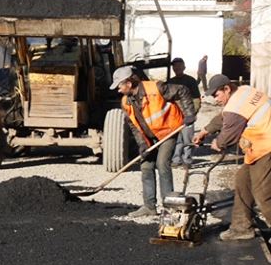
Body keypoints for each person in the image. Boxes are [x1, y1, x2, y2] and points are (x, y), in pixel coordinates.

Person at [192, 75, 271, 241]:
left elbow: (228, 135)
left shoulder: (234, 106)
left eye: (216, 95)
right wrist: (205, 131)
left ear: (227, 89)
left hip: (266, 146)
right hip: (259, 146)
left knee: (262, 193)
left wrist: (218, 143)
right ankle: (241, 227)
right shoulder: (244, 91)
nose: (215, 99)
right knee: (243, 182)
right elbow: (224, 118)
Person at [110, 65, 195, 217]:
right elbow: (134, 126)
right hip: (149, 137)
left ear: (129, 83)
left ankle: (169, 206)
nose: (118, 90)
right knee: (146, 166)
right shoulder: (126, 102)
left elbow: (183, 90)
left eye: (119, 86)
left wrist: (189, 113)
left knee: (162, 164)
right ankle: (149, 206)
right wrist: (142, 144)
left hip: (168, 132)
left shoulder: (156, 88)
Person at [167, 57, 202, 167]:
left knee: (188, 140)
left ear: (184, 67)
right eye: (174, 66)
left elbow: (196, 98)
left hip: (188, 115)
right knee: (177, 139)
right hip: (175, 116)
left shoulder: (190, 81)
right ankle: (176, 160)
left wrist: (192, 114)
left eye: (179, 66)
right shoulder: (170, 82)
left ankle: (187, 161)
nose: (176, 68)